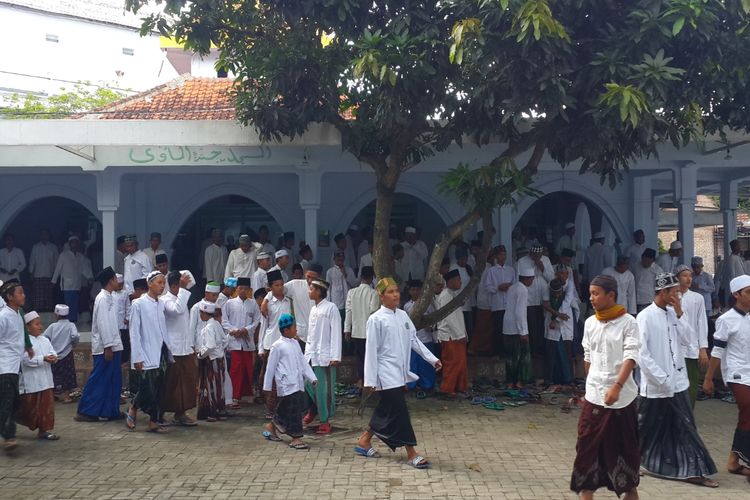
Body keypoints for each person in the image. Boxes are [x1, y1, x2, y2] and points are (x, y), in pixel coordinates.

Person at [637, 272, 717, 487]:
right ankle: (634, 461)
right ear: (664, 292)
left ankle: (693, 470)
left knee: (685, 425)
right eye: (676, 293)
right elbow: (642, 354)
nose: (679, 297)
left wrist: (681, 313)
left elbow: (689, 340)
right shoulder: (645, 317)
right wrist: (661, 379)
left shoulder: (674, 314)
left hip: (677, 382)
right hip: (656, 385)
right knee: (646, 427)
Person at [355, 277, 442, 468]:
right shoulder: (375, 319)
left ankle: (364, 440)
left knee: (387, 408)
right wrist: (370, 380)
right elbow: (371, 351)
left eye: (396, 291)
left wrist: (432, 359)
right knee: (400, 410)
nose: (395, 295)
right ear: (381, 295)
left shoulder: (403, 316)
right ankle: (411, 452)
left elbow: (414, 340)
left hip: (400, 371)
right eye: (390, 292)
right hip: (384, 374)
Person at [570, 275, 640, 499]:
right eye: (590, 293)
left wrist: (617, 386)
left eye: (596, 293)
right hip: (594, 397)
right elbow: (587, 355)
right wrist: (592, 382)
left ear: (611, 295)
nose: (591, 298)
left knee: (624, 455)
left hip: (622, 399)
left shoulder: (629, 322)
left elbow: (631, 356)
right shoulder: (590, 323)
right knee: (585, 451)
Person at [703, 275, 750, 480]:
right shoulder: (725, 320)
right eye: (748, 292)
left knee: (746, 417)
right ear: (736, 295)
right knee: (748, 409)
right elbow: (717, 352)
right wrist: (708, 379)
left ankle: (733, 461)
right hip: (736, 373)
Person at [75, 267, 124, 422]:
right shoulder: (102, 298)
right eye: (116, 279)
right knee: (99, 379)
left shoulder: (110, 297)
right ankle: (86, 410)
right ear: (110, 281)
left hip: (114, 345)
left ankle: (110, 410)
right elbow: (103, 324)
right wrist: (108, 346)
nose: (118, 282)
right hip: (106, 347)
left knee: (113, 379)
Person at [262, 314, 318, 449]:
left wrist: (312, 377)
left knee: (287, 409)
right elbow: (271, 367)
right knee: (293, 411)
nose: (296, 330)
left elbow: (303, 362)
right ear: (286, 330)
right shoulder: (277, 346)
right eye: (294, 327)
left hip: (297, 382)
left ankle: (272, 426)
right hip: (286, 383)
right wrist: (267, 386)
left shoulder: (295, 343)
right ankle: (296, 437)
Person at [126, 271, 169, 433]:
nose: (162, 286)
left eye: (163, 283)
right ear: (150, 284)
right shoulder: (138, 304)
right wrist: (136, 356)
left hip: (161, 350)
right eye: (159, 283)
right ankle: (133, 407)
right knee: (147, 387)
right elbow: (134, 332)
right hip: (145, 351)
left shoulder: (161, 303)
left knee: (160, 387)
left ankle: (153, 421)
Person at [303, 278, 341, 435]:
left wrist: (335, 355)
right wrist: (306, 355)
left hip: (326, 356)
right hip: (312, 355)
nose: (309, 291)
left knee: (323, 389)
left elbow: (336, 332)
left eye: (311, 288)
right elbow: (310, 335)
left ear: (319, 291)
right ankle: (314, 408)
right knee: (307, 384)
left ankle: (324, 421)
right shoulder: (313, 309)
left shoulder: (331, 308)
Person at [161, 270, 197, 426]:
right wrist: (182, 289)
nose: (185, 289)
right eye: (181, 286)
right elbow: (177, 310)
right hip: (173, 348)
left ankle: (181, 413)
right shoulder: (165, 300)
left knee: (187, 381)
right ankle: (159, 412)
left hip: (185, 346)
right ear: (175, 285)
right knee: (170, 382)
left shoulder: (180, 297)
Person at [16, 311, 59, 441]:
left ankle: (43, 431)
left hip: (46, 381)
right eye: (37, 324)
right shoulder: (23, 342)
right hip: (31, 383)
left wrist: (53, 358)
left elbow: (53, 352)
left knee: (46, 408)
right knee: (29, 409)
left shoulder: (45, 340)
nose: (40, 326)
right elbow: (25, 360)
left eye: (41, 323)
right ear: (27, 327)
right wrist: (43, 359)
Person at [222, 276, 261, 409]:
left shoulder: (253, 304)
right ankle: (234, 396)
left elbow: (257, 320)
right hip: (234, 342)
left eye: (245, 289)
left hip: (247, 341)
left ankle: (245, 395)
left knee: (248, 368)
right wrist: (234, 330)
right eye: (240, 288)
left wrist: (246, 330)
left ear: (249, 290)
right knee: (236, 369)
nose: (243, 291)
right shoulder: (229, 303)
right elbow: (224, 320)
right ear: (236, 289)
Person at [673, 264, 709, 408]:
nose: (688, 279)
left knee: (691, 385)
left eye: (690, 276)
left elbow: (702, 323)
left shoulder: (697, 298)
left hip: (691, 348)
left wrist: (703, 348)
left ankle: (688, 416)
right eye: (684, 275)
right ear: (677, 278)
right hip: (674, 347)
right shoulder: (671, 297)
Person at [257, 270, 291, 417]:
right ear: (270, 287)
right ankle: (271, 408)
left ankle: (283, 407)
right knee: (269, 377)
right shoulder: (268, 303)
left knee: (285, 376)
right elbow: (263, 326)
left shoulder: (289, 301)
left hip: (287, 343)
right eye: (276, 285)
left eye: (281, 284)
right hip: (271, 343)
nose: (280, 287)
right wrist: (260, 348)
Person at [0, 280, 27, 453]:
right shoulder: (3, 316)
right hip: (4, 366)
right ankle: (9, 436)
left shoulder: (18, 314)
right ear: (10, 297)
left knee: (14, 402)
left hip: (15, 364)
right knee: (8, 402)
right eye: (20, 293)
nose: (23, 295)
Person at [435, 269, 469, 398]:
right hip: (450, 336)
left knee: (460, 362)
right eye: (458, 280)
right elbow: (450, 318)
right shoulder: (445, 296)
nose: (460, 282)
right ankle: (447, 388)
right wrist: (460, 334)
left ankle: (459, 387)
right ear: (451, 281)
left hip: (457, 335)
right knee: (453, 363)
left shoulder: (452, 294)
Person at [344, 266, 379, 389]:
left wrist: (347, 329)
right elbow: (373, 312)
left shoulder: (351, 292)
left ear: (361, 277)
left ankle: (360, 379)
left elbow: (349, 311)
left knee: (359, 356)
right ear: (371, 277)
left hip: (356, 331)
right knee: (370, 357)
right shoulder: (374, 293)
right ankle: (368, 380)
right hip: (369, 332)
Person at [195, 300, 228, 422]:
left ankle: (213, 412)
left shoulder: (208, 328)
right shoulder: (217, 324)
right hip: (220, 358)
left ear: (204, 313)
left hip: (212, 359)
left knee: (211, 385)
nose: (200, 315)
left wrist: (200, 354)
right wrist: (220, 350)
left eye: (201, 313)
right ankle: (221, 409)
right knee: (220, 385)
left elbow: (210, 346)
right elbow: (225, 341)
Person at [404, 280, 438, 394]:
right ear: (409, 291)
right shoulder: (407, 306)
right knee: (412, 363)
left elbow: (434, 318)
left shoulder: (428, 304)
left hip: (425, 337)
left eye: (418, 289)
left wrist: (431, 327)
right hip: (412, 339)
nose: (415, 292)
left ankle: (427, 384)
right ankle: (411, 385)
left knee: (426, 363)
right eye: (413, 289)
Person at [503, 265, 534, 388]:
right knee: (522, 356)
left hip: (507, 326)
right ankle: (520, 381)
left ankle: (510, 381)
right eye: (531, 278)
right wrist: (523, 332)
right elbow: (519, 312)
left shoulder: (512, 288)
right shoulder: (522, 289)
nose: (532, 281)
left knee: (510, 357)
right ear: (526, 279)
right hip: (516, 328)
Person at [50, 235, 92, 323]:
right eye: (73, 243)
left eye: (76, 243)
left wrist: (90, 277)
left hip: (77, 284)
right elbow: (58, 268)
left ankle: (74, 320)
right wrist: (54, 281)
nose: (75, 244)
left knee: (75, 303)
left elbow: (84, 269)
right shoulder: (63, 255)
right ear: (69, 244)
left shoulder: (80, 256)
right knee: (68, 303)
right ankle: (68, 320)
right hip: (67, 284)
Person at [43, 304, 79, 404]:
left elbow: (45, 337)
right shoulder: (71, 325)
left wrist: (48, 347)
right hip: (67, 354)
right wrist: (73, 344)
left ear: (57, 315)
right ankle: (66, 396)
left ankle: (52, 394)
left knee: (54, 374)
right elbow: (75, 336)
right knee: (67, 375)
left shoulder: (52, 326)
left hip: (55, 355)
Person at [485, 245, 515, 356]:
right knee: (497, 329)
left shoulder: (510, 270)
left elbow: (515, 284)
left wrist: (509, 286)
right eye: (501, 254)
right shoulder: (492, 271)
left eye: (505, 254)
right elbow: (488, 287)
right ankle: (496, 352)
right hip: (497, 304)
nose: (504, 256)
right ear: (497, 256)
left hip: (508, 304)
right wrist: (498, 288)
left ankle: (507, 352)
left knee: (508, 329)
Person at [544, 279, 574, 386]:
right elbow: (546, 306)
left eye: (558, 292)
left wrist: (555, 319)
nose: (557, 295)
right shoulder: (549, 299)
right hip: (552, 330)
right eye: (555, 293)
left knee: (566, 355)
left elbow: (565, 314)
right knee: (551, 355)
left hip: (565, 329)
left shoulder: (566, 300)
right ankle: (550, 379)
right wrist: (557, 317)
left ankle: (567, 379)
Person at [28, 229, 59, 312]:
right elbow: (32, 261)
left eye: (46, 234)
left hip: (50, 274)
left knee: (48, 294)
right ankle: (38, 310)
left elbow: (56, 263)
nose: (44, 236)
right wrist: (31, 273)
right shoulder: (35, 247)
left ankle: (48, 310)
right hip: (37, 274)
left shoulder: (53, 247)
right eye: (42, 234)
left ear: (49, 236)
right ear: (40, 236)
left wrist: (55, 276)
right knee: (38, 295)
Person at [326, 251, 357, 324]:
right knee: (337, 323)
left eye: (342, 260)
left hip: (348, 301)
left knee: (347, 324)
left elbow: (354, 284)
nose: (340, 262)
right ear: (334, 260)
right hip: (336, 302)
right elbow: (328, 289)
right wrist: (328, 303)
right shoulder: (330, 272)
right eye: (338, 260)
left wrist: (345, 275)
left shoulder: (349, 270)